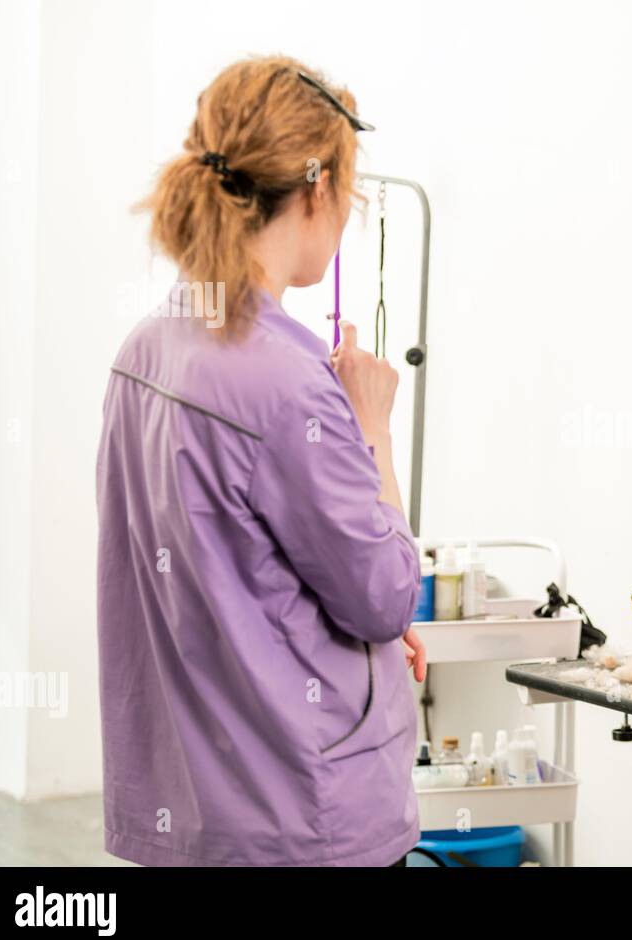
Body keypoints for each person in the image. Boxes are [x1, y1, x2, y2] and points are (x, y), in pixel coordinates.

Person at [95, 55, 425, 866]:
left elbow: (223, 571)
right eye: (347, 190)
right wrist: (372, 426)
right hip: (300, 822)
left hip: (190, 807)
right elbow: (384, 597)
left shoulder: (145, 348)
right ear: (317, 190)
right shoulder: (288, 384)